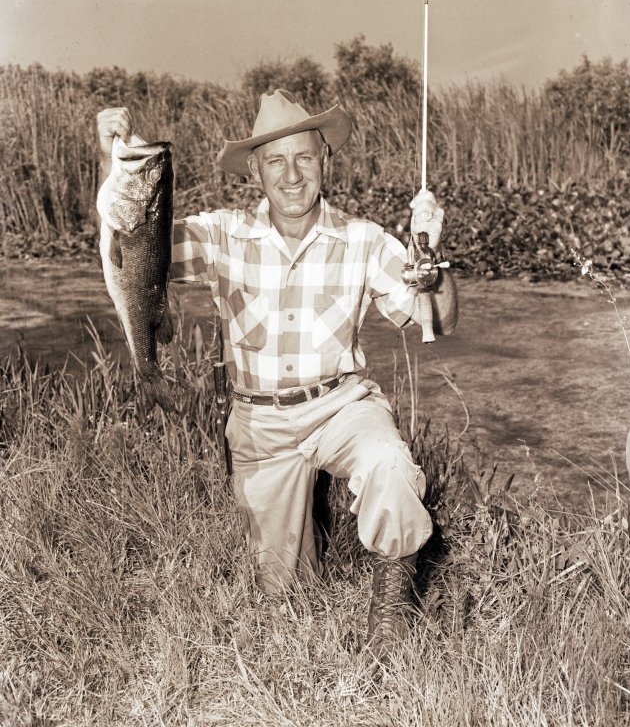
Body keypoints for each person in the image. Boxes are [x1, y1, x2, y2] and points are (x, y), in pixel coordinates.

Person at [96, 90, 458, 662]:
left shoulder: (363, 239)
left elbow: (438, 318)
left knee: (389, 464)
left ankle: (389, 621)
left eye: (304, 159)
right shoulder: (220, 234)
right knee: (282, 599)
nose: (291, 176)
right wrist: (110, 159)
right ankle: (304, 557)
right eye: (274, 162)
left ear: (325, 162)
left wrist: (432, 264)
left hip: (342, 407)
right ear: (256, 173)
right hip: (259, 427)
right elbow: (137, 238)